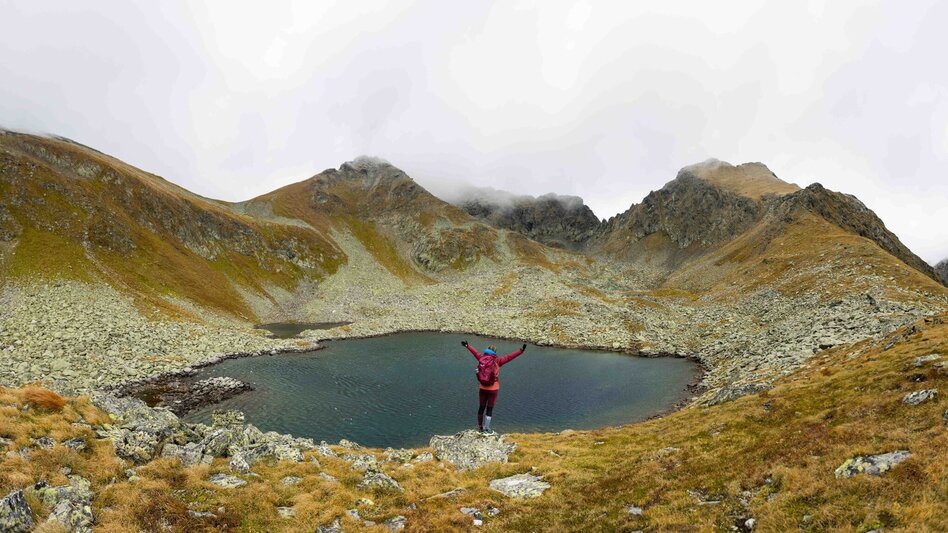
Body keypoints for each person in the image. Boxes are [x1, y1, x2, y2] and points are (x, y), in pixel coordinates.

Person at [461, 340, 527, 434]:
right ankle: (487, 429)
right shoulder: (498, 360)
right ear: (495, 352)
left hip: (483, 387)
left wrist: (467, 345)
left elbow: (475, 352)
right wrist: (521, 350)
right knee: (489, 409)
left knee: (481, 407)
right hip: (493, 388)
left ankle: (480, 427)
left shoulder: (481, 358)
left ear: (486, 350)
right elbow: (510, 357)